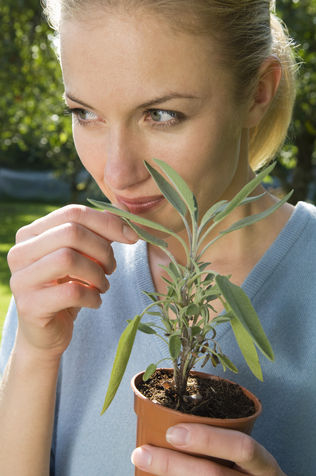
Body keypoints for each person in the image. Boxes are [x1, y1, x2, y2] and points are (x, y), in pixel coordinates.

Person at [0, 0, 315, 474]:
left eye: (162, 115)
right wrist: (34, 355)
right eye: (84, 112)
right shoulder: (62, 271)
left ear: (257, 93)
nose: (116, 172)